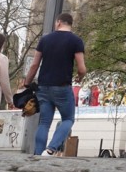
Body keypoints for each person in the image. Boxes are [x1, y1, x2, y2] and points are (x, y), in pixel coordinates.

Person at [22, 13, 86, 157]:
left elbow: (34, 65)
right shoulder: (76, 41)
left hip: (43, 87)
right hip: (62, 86)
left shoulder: (45, 40)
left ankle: (38, 153)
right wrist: (80, 77)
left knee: (44, 122)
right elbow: (82, 68)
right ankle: (51, 148)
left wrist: (27, 82)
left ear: (58, 23)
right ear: (70, 24)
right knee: (68, 119)